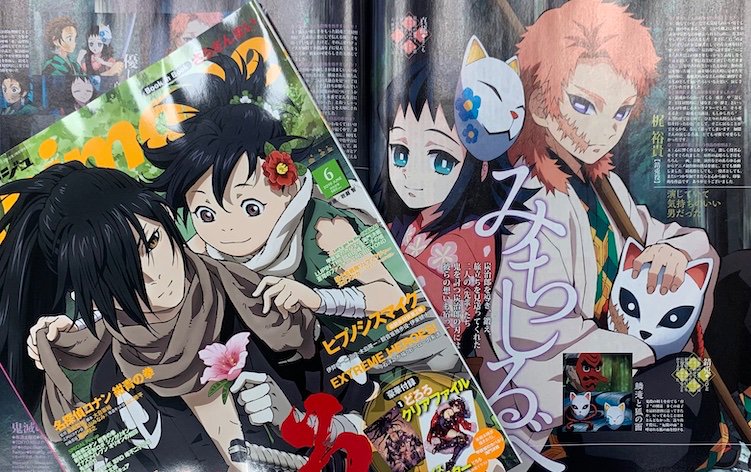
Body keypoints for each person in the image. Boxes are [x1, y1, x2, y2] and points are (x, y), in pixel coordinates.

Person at [475, 0, 720, 469]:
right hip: (555, 401)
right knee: (684, 401)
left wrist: (673, 250)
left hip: (618, 358)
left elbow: (667, 236)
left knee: (737, 285)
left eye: (620, 112)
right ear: (540, 104)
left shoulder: (601, 186)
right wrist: (645, 354)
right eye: (583, 105)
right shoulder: (529, 208)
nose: (602, 130)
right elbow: (538, 352)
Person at [2, 162, 367, 471]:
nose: (154, 274)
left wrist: (298, 424)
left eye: (152, 242)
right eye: (121, 275)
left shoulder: (260, 307)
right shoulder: (113, 387)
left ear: (165, 224)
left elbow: (365, 418)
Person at [141, 50, 407, 334]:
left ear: (288, 183)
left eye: (251, 208)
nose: (227, 229)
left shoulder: (326, 230)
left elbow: (391, 295)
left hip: (387, 341)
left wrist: (316, 299)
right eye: (206, 214)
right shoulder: (208, 244)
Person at [373, 39, 530, 354]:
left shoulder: (472, 238)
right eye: (400, 153)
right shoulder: (412, 221)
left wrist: (369, 268)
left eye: (441, 161)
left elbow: (438, 326)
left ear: (481, 167)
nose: (412, 175)